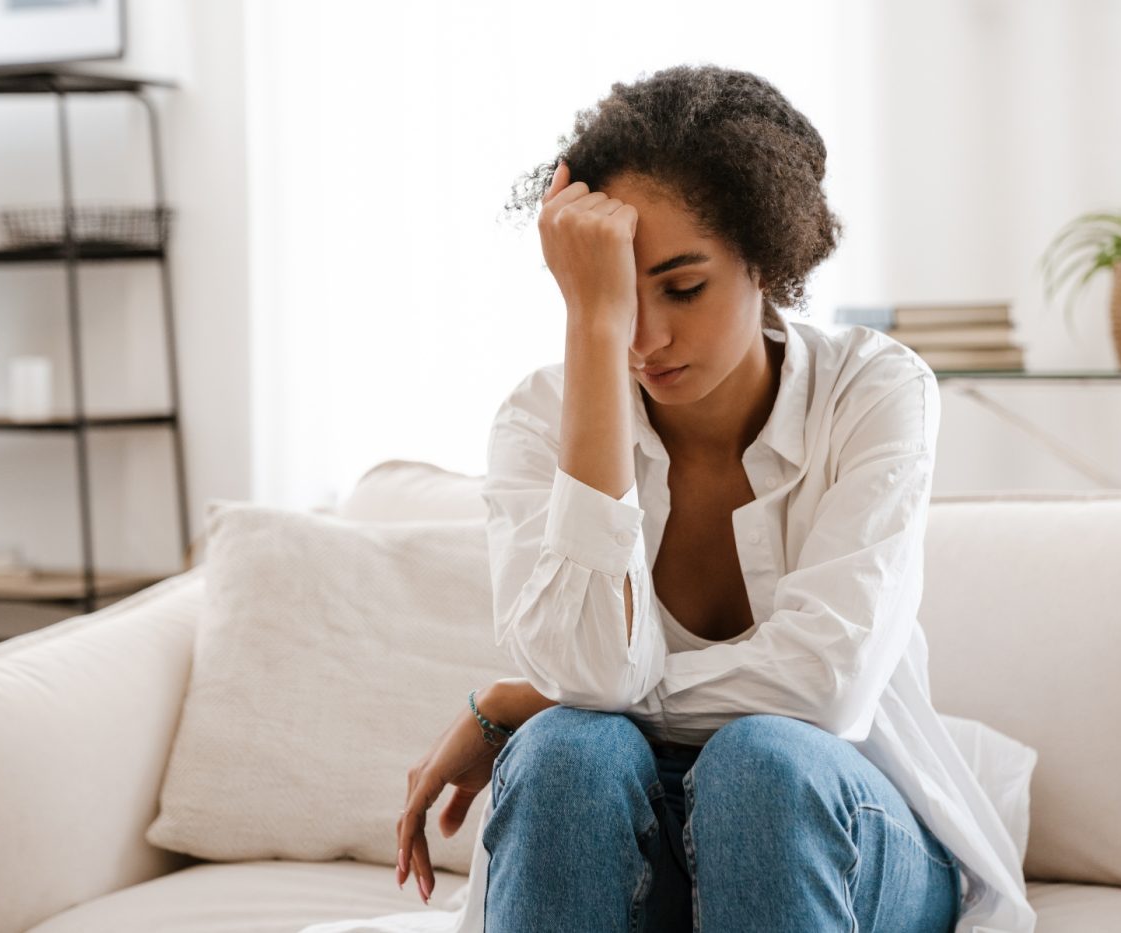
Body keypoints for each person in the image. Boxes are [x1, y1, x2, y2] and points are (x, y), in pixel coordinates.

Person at [370, 64, 1036, 933]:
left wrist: (519, 698)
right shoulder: (539, 420)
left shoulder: (873, 392)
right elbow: (587, 673)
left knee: (761, 760)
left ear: (767, 256)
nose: (646, 338)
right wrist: (590, 336)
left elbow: (823, 688)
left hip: (830, 831)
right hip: (627, 836)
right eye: (613, 295)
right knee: (569, 750)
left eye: (683, 287)